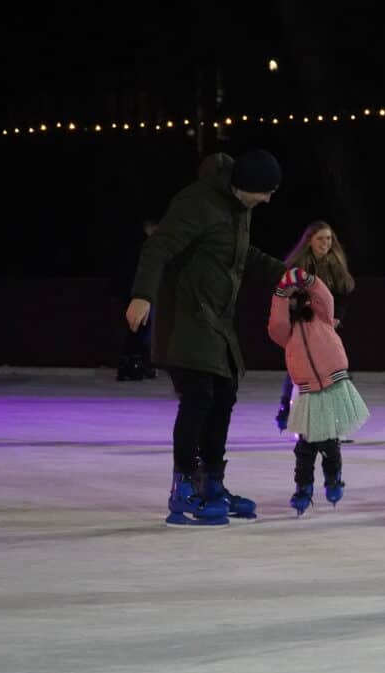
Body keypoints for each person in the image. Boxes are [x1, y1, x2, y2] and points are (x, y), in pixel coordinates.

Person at [125, 149, 288, 527]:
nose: (268, 200)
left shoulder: (239, 210)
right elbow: (159, 245)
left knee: (225, 394)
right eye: (265, 192)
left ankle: (211, 483)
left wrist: (288, 276)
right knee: (199, 397)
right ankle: (183, 488)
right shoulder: (197, 202)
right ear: (244, 186)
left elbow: (244, 255)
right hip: (188, 318)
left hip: (219, 322)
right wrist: (142, 294)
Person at [268, 267, 370, 516]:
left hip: (333, 384)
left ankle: (333, 479)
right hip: (307, 392)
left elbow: (326, 296)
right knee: (305, 447)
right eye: (288, 298)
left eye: (296, 294)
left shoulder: (321, 315)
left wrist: (308, 280)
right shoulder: (287, 332)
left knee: (329, 443)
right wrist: (280, 292)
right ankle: (303, 487)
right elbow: (276, 324)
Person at [273, 220, 356, 431]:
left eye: (328, 239)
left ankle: (337, 420)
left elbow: (344, 292)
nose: (325, 243)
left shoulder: (335, 263)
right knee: (300, 368)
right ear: (309, 241)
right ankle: (286, 409)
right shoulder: (298, 266)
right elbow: (286, 292)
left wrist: (337, 316)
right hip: (303, 325)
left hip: (326, 328)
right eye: (320, 239)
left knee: (335, 367)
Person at [114, 219, 159, 381]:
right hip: (135, 293)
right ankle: (130, 364)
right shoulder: (144, 247)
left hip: (137, 292)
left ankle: (134, 363)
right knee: (138, 328)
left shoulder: (145, 246)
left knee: (142, 329)